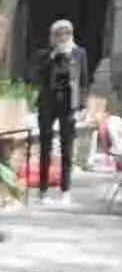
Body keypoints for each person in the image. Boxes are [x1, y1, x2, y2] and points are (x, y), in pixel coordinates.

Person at [32, 18, 89, 204]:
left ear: (71, 35)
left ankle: (66, 190)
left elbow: (83, 82)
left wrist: (82, 106)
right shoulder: (45, 54)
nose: (63, 37)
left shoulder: (79, 53)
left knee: (67, 148)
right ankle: (42, 191)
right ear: (53, 36)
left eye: (66, 33)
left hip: (68, 104)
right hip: (48, 103)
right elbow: (36, 75)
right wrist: (52, 56)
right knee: (45, 147)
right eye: (58, 34)